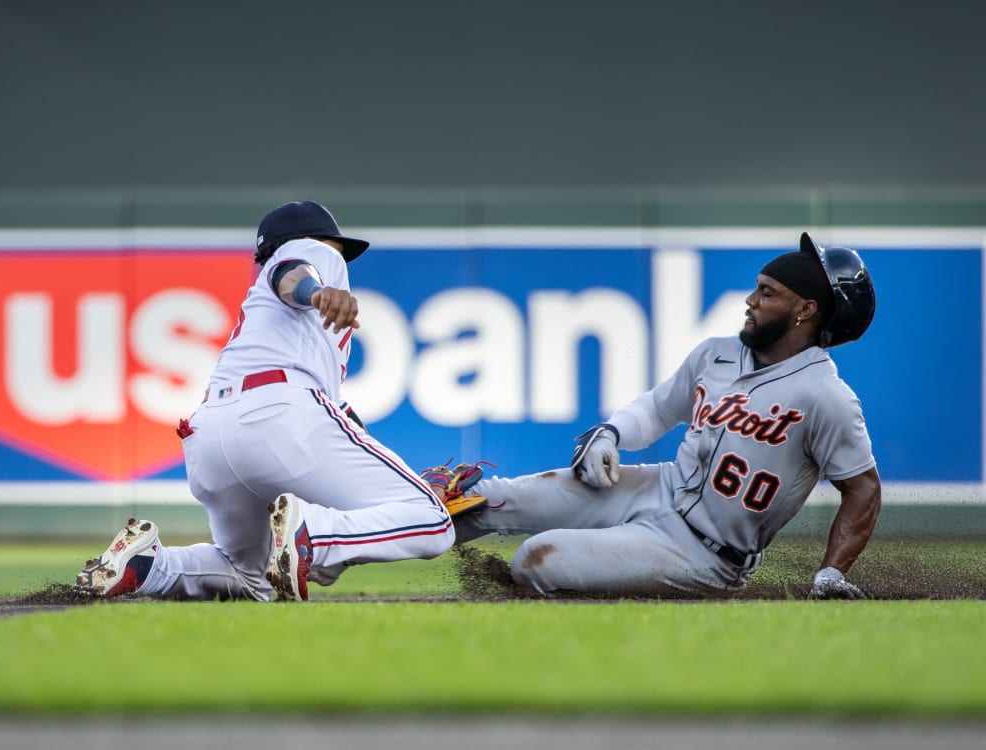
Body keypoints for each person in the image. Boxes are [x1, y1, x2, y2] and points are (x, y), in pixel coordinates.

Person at [428, 233, 881, 599]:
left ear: (806, 310)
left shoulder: (827, 396)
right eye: (756, 287)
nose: (751, 299)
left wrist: (832, 573)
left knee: (535, 560)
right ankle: (362, 539)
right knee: (483, 499)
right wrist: (611, 433)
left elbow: (862, 488)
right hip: (658, 488)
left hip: (707, 553)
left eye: (768, 292)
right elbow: (660, 408)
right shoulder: (717, 354)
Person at [75, 201, 455, 601]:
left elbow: (340, 424)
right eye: (336, 247)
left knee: (248, 576)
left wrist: (403, 488)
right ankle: (312, 536)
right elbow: (289, 273)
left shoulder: (274, 329)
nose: (340, 256)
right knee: (432, 521)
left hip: (209, 434)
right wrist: (318, 290)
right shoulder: (309, 252)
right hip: (278, 414)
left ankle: (148, 567)